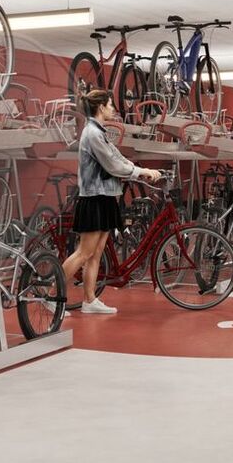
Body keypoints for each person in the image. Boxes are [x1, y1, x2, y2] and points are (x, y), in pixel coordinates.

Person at [62, 89, 163, 314]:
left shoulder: (100, 132)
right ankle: (49, 295)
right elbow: (112, 165)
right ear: (100, 107)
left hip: (106, 196)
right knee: (83, 253)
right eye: (110, 105)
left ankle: (89, 300)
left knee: (96, 253)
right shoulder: (92, 134)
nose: (113, 109)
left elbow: (118, 157)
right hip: (94, 198)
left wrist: (140, 170)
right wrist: (141, 172)